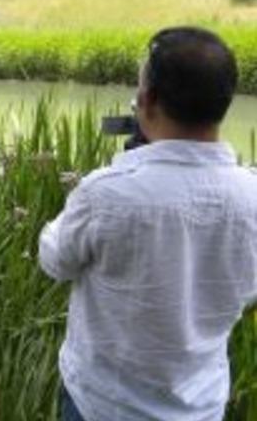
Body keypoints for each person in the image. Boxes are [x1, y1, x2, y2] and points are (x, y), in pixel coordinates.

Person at [39, 27, 257, 421]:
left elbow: (55, 261)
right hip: (201, 407)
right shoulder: (252, 195)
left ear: (147, 99)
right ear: (224, 103)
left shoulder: (106, 194)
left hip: (101, 405)